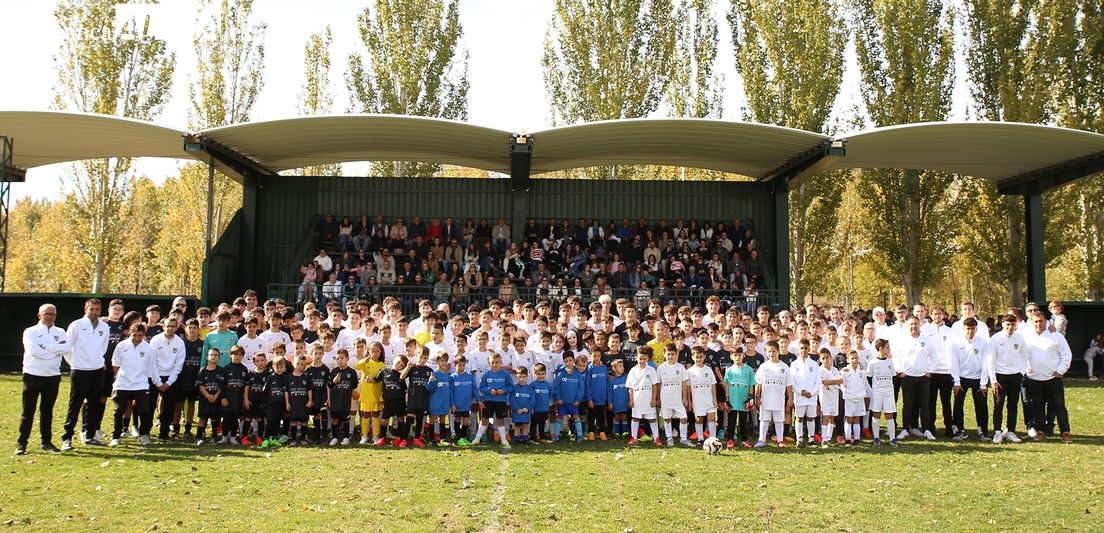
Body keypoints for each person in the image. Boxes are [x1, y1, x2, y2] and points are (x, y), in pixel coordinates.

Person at [17, 304, 71, 455]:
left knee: (47, 411)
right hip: (32, 375)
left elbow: (67, 348)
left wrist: (46, 346)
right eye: (47, 314)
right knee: (28, 411)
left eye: (53, 314)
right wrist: (55, 350)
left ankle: (46, 441)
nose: (50, 317)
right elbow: (34, 351)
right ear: (39, 315)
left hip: (52, 376)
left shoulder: (60, 331)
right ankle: (22, 443)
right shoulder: (31, 331)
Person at [62, 298, 110, 450]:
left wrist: (97, 362)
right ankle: (67, 438)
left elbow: (103, 348)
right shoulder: (76, 325)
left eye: (97, 310)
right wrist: (76, 364)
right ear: (85, 309)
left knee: (94, 404)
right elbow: (67, 348)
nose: (94, 312)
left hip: (96, 371)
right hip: (79, 371)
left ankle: (88, 435)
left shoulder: (104, 326)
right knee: (75, 405)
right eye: (92, 309)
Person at [1023, 312, 1073, 443]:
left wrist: (1061, 371)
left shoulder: (1056, 336)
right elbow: (1020, 355)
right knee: (1038, 407)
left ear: (1046, 322)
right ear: (1032, 322)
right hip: (1034, 379)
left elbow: (1066, 354)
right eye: (1036, 322)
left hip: (1053, 379)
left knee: (1059, 406)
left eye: (1041, 321)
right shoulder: (1026, 337)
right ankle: (1040, 432)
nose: (1038, 324)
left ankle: (1065, 432)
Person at [108, 324, 155, 446]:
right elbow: (115, 364)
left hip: (141, 384)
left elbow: (150, 368)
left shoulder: (148, 348)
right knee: (120, 410)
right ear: (130, 333)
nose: (137, 338)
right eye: (135, 335)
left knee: (144, 410)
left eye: (140, 335)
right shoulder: (121, 345)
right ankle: (116, 436)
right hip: (122, 384)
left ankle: (144, 435)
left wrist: (146, 381)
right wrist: (119, 378)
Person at [893, 316, 936, 441]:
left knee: (925, 405)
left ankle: (927, 430)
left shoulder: (927, 340)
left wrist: (930, 371)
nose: (913, 326)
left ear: (919, 325)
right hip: (908, 378)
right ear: (907, 326)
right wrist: (900, 371)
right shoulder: (902, 340)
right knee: (908, 405)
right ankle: (905, 429)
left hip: (923, 378)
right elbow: (896, 357)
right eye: (911, 324)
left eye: (916, 324)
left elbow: (934, 357)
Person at [988, 314, 1029, 444]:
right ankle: (997, 432)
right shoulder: (995, 338)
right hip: (1000, 376)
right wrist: (993, 379)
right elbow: (991, 360)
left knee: (1013, 404)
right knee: (998, 404)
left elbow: (1025, 355)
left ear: (1016, 325)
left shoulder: (1020, 338)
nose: (1010, 327)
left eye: (1012, 324)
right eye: (1007, 324)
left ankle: (1011, 430)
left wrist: (1021, 372)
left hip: (1015, 375)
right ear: (1002, 324)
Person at [949, 318, 991, 441]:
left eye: (973, 329)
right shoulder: (956, 343)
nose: (970, 331)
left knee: (981, 406)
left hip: (978, 378)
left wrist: (983, 383)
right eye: (968, 329)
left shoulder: (983, 343)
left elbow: (986, 363)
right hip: (962, 378)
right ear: (963, 329)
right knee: (958, 405)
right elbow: (954, 363)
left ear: (976, 329)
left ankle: (982, 430)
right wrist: (956, 381)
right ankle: (959, 430)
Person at [148, 317, 186, 441]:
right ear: (163, 326)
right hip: (155, 376)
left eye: (173, 326)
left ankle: (164, 433)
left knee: (170, 407)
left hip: (171, 379)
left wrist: (169, 382)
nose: (170, 328)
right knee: (149, 406)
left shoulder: (180, 342)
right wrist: (158, 382)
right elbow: (151, 362)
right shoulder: (155, 340)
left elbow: (178, 365)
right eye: (168, 326)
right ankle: (145, 432)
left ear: (177, 327)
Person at [753, 341, 793, 449]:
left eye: (774, 351)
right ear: (766, 352)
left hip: (779, 398)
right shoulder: (763, 366)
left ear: (778, 351)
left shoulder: (784, 367)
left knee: (779, 420)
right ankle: (761, 440)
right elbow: (758, 383)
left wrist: (790, 398)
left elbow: (789, 384)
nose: (771, 354)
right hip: (766, 398)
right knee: (764, 419)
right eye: (769, 351)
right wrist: (757, 397)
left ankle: (780, 440)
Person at [472, 352, 513, 449]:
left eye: (497, 362)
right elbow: (482, 387)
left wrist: (503, 391)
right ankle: (477, 439)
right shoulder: (486, 374)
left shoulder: (505, 374)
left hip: (501, 401)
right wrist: (490, 391)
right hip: (489, 400)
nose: (495, 364)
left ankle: (503, 439)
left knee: (500, 420)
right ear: (489, 363)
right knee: (485, 419)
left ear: (501, 362)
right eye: (492, 362)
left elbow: (511, 387)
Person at [656, 345, 690, 447]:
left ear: (676, 355)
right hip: (665, 398)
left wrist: (685, 397)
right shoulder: (661, 368)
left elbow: (684, 383)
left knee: (684, 417)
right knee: (667, 418)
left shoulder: (680, 367)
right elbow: (658, 384)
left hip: (678, 398)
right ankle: (669, 438)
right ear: (664, 354)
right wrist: (658, 398)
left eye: (672, 354)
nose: (670, 356)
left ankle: (683, 439)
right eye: (668, 354)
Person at [626, 347, 662, 446]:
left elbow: (655, 385)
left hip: (648, 399)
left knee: (652, 419)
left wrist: (654, 399)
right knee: (635, 418)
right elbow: (630, 387)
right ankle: (634, 437)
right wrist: (631, 400)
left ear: (648, 359)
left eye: (644, 359)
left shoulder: (651, 370)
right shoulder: (633, 371)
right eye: (640, 358)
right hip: (637, 400)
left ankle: (656, 438)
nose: (642, 361)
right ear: (636, 358)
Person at [354, 341, 387, 445]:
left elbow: (383, 380)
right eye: (373, 351)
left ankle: (375, 436)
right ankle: (364, 436)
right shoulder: (365, 362)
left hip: (376, 394)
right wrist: (365, 359)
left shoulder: (382, 365)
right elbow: (356, 366)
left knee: (376, 415)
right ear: (369, 351)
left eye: (377, 351)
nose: (375, 353)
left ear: (380, 352)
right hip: (365, 394)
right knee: (365, 415)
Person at [790, 339, 822, 448]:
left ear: (809, 349)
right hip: (799, 396)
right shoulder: (794, 364)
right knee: (799, 417)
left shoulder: (814, 364)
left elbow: (818, 381)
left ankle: (811, 439)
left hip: (811, 397)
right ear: (798, 349)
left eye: (806, 348)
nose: (804, 350)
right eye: (801, 348)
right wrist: (799, 391)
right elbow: (792, 381)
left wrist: (812, 393)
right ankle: (799, 439)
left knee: (811, 417)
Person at [723, 348, 755, 449]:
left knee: (743, 420)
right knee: (731, 421)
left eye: (739, 355)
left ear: (743, 355)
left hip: (743, 399)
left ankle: (744, 439)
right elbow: (727, 385)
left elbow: (751, 384)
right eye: (735, 355)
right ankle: (730, 439)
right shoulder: (729, 370)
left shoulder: (748, 369)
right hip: (733, 399)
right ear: (731, 357)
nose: (737, 357)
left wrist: (750, 397)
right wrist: (727, 398)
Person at [868, 339, 898, 446]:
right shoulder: (872, 362)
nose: (889, 349)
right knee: (876, 413)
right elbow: (869, 377)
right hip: (877, 393)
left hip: (888, 392)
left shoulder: (890, 362)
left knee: (889, 414)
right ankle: (876, 437)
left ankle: (892, 438)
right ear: (881, 349)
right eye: (887, 347)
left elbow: (893, 376)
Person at [686, 346, 718, 446]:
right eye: (697, 357)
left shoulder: (708, 370)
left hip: (709, 399)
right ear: (692, 357)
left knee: (711, 418)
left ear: (704, 356)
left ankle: (713, 439)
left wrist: (714, 398)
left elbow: (713, 385)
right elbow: (687, 388)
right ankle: (700, 438)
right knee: (699, 419)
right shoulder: (689, 371)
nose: (699, 359)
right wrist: (689, 401)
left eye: (701, 357)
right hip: (697, 400)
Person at [328, 349, 360, 446]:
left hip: (346, 401)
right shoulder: (334, 371)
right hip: (335, 401)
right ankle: (335, 437)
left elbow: (354, 385)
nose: (339, 360)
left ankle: (346, 437)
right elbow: (329, 385)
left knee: (346, 419)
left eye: (342, 358)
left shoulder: (352, 372)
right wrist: (334, 382)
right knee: (335, 420)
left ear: (347, 358)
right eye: (338, 358)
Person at [195, 349, 226, 446]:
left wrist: (215, 396)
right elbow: (200, 385)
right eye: (211, 355)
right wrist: (208, 395)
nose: (213, 357)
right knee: (202, 418)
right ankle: (199, 437)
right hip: (205, 399)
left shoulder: (221, 370)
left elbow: (221, 386)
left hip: (216, 399)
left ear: (219, 358)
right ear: (207, 357)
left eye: (216, 355)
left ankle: (214, 436)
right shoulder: (202, 370)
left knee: (214, 418)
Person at [553, 353, 586, 443]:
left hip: (573, 402)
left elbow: (581, 388)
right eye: (566, 361)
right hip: (562, 402)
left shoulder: (577, 374)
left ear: (574, 361)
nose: (569, 363)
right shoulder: (561, 373)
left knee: (576, 417)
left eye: (570, 360)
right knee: (559, 417)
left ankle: (579, 436)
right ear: (564, 362)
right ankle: (556, 435)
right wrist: (558, 398)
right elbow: (555, 387)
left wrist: (578, 399)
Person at [220, 345, 249, 444]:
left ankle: (233, 436)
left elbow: (246, 385)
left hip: (237, 399)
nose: (238, 357)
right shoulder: (226, 368)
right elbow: (222, 385)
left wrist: (245, 398)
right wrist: (223, 397)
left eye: (240, 355)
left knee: (234, 418)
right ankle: (224, 436)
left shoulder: (244, 369)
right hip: (228, 398)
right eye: (236, 354)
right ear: (230, 355)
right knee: (226, 417)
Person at [450, 355, 479, 446]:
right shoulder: (452, 377)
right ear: (455, 365)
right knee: (457, 420)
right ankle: (459, 438)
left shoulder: (469, 376)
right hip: (457, 405)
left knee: (466, 422)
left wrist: (478, 400)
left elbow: (474, 389)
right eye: (459, 365)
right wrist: (452, 404)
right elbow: (450, 392)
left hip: (466, 404)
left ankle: (462, 437)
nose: (461, 367)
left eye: (463, 365)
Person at [285, 355, 313, 446]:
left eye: (302, 364)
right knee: (293, 421)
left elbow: (309, 390)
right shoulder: (288, 377)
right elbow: (286, 391)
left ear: (305, 365)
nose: (300, 366)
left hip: (303, 403)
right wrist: (287, 403)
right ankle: (293, 439)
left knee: (304, 421)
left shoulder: (306, 377)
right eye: (298, 364)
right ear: (293, 363)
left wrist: (310, 400)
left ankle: (303, 438)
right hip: (293, 403)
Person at [818, 349, 844, 447]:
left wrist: (833, 381)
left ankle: (829, 437)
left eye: (827, 358)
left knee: (832, 416)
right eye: (823, 358)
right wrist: (834, 381)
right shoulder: (820, 370)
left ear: (830, 358)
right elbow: (824, 382)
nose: (826, 360)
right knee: (826, 416)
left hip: (834, 395)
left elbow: (841, 380)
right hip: (825, 396)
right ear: (820, 359)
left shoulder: (835, 370)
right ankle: (824, 438)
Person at [242, 353, 269, 445]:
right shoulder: (250, 374)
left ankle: (260, 437)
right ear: (254, 362)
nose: (260, 363)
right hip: (251, 401)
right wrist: (246, 399)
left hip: (262, 402)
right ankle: (244, 437)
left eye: (262, 360)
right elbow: (246, 387)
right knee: (248, 419)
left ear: (266, 361)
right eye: (257, 361)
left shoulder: (269, 374)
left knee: (260, 419)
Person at [426, 352, 453, 445]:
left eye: (445, 360)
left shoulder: (447, 375)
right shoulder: (434, 374)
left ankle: (443, 438)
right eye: (442, 360)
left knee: (442, 419)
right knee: (433, 419)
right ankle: (432, 439)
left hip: (444, 402)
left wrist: (450, 402)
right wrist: (432, 381)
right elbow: (429, 388)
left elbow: (449, 390)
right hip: (435, 402)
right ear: (437, 361)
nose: (444, 363)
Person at [261, 357, 288, 448]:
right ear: (273, 367)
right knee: (270, 421)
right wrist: (264, 404)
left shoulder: (285, 378)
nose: (279, 369)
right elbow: (265, 391)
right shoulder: (270, 378)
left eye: (281, 367)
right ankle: (266, 439)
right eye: (277, 367)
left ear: (284, 367)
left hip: (280, 404)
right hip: (271, 404)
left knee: (277, 422)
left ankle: (274, 439)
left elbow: (286, 392)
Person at [510, 367, 535, 444]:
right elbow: (512, 400)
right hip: (517, 411)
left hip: (526, 411)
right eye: (519, 376)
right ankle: (516, 439)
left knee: (525, 425)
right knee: (517, 426)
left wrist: (527, 408)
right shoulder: (514, 388)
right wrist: (517, 409)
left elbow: (532, 399)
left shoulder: (529, 389)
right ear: (516, 376)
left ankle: (525, 439)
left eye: (523, 376)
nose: (522, 379)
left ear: (527, 376)